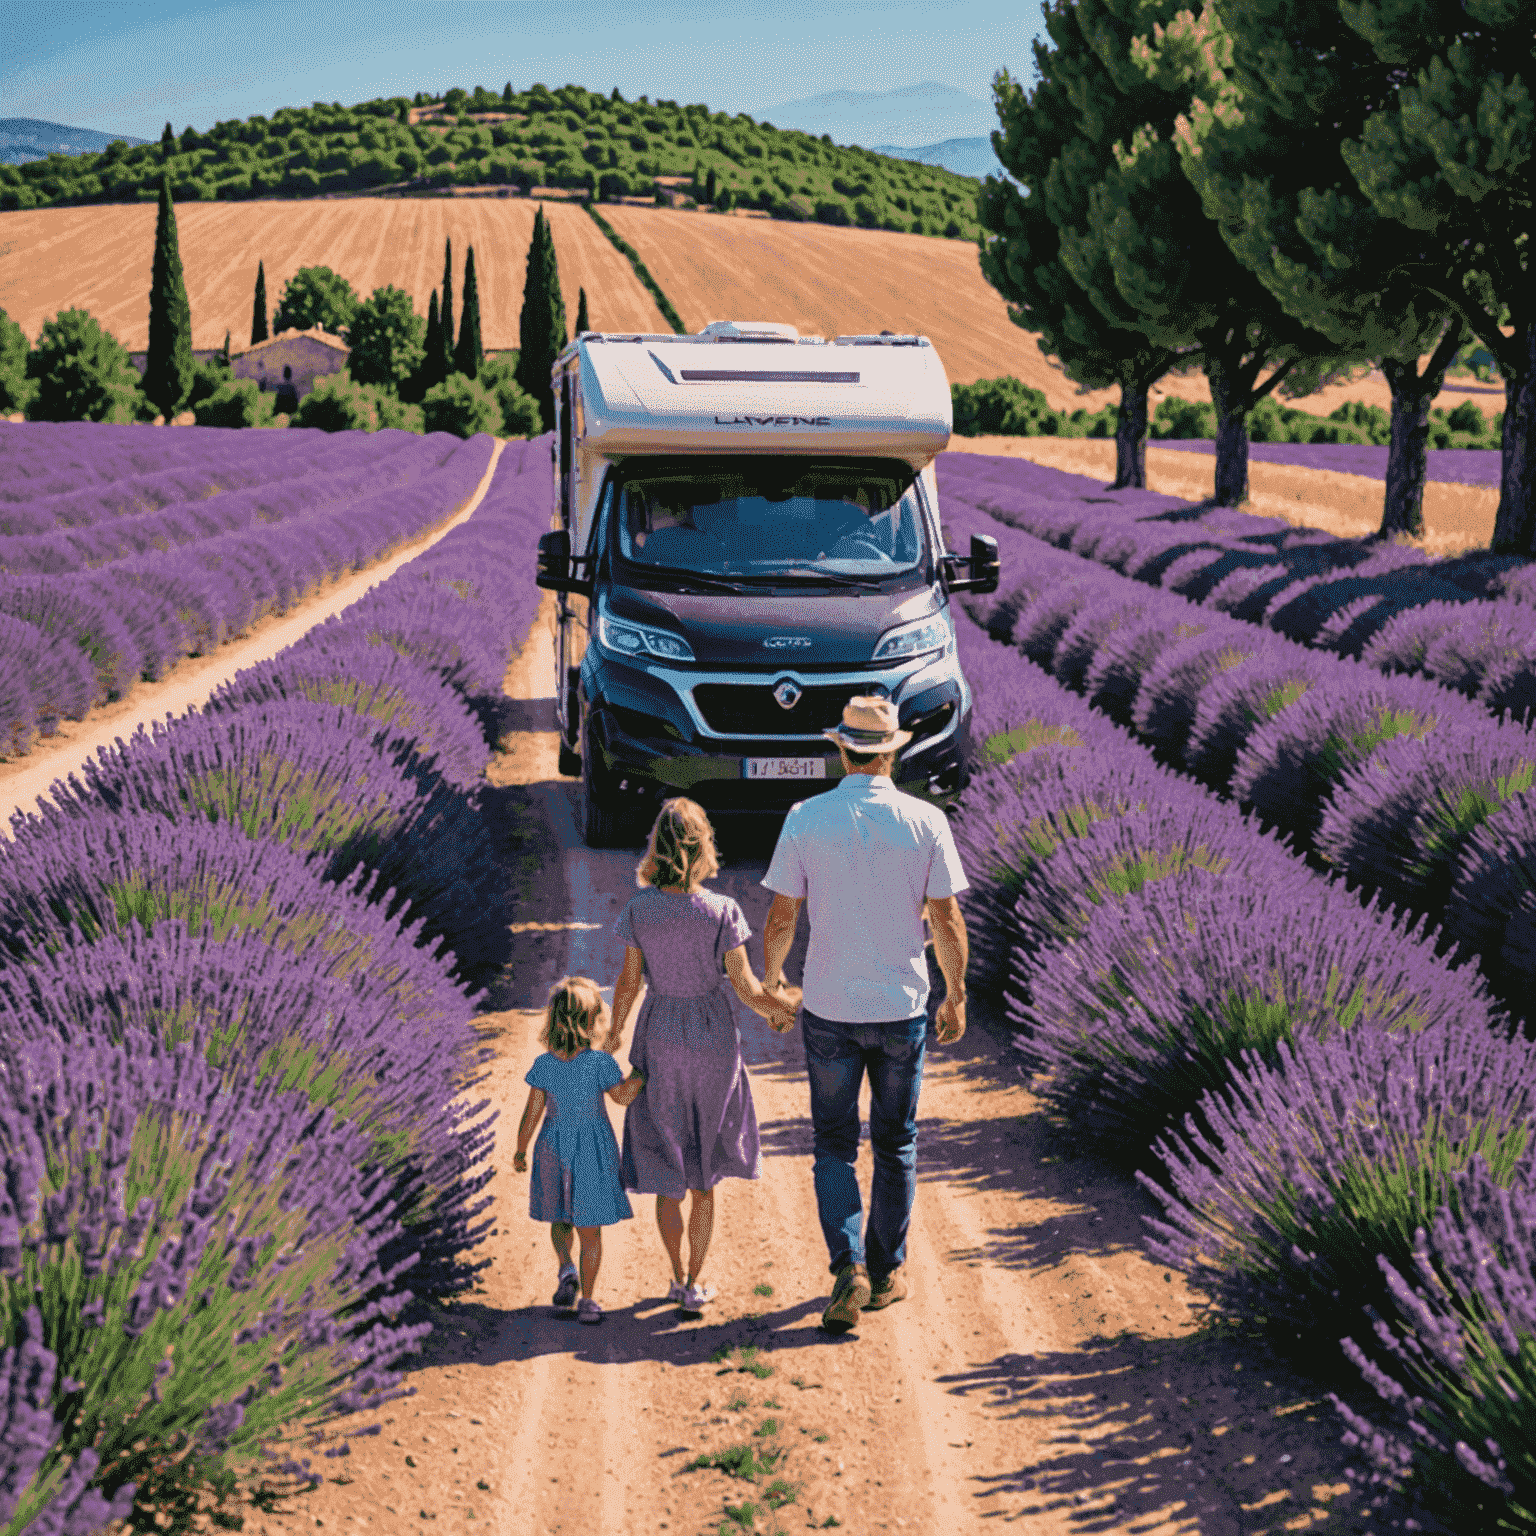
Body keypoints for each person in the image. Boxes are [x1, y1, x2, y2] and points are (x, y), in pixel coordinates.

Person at [760, 694, 970, 1334]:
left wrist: (772, 980)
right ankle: (885, 1273)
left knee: (831, 1144)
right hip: (901, 1007)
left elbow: (783, 914)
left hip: (829, 1005)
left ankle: (846, 1262)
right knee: (896, 1141)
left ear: (841, 749)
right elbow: (946, 919)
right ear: (892, 752)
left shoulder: (805, 817)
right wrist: (955, 992)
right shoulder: (926, 821)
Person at [609, 797, 799, 1316]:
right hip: (713, 1037)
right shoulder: (722, 911)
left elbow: (628, 981)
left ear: (657, 847)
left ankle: (675, 1277)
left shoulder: (638, 910)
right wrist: (778, 1012)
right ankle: (697, 1280)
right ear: (703, 848)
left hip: (661, 1033)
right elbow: (744, 987)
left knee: (668, 1161)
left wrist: (615, 1031)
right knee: (704, 1169)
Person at [513, 975, 645, 1325]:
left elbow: (532, 1112)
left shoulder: (544, 1066)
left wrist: (521, 1149)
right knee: (590, 1231)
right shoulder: (601, 1064)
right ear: (593, 1023)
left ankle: (565, 1267)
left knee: (559, 1217)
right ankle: (588, 1300)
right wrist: (641, 1075)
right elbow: (622, 1097)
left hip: (551, 1148)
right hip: (592, 1153)